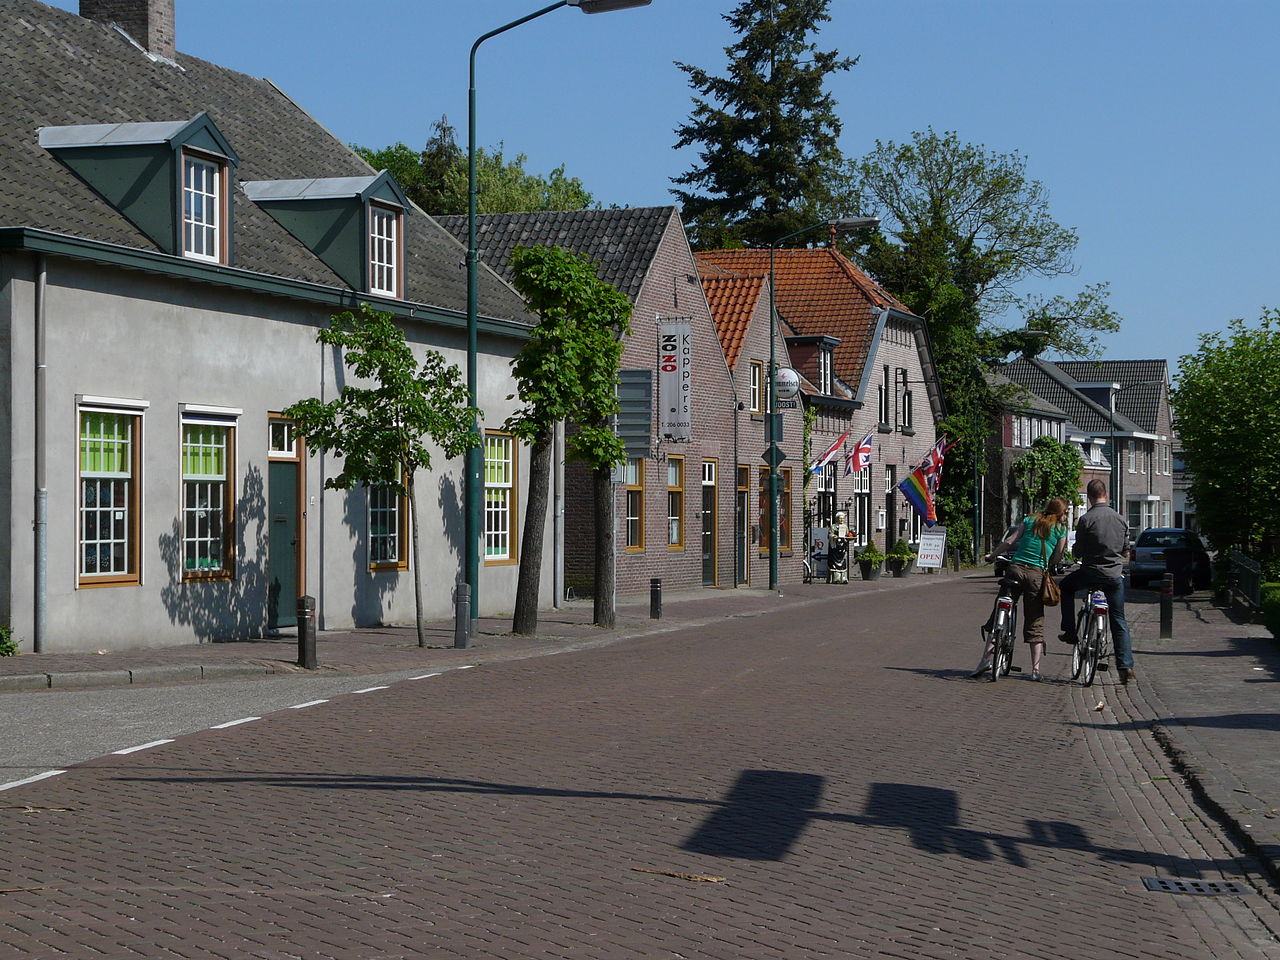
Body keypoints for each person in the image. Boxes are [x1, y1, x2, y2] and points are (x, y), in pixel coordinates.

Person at [976, 497, 1070, 681]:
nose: (1066, 515)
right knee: (1035, 620)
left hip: (1015, 569)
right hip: (1036, 575)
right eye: (1065, 512)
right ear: (1060, 513)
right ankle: (1035, 671)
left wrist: (993, 555)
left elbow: (1011, 541)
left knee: (998, 613)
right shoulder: (1060, 530)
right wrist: (1050, 565)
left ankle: (985, 660)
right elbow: (1058, 554)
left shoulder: (1029, 520)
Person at [1058, 479, 1135, 684]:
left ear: (1090, 497)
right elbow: (1126, 550)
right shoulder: (1120, 519)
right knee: (1119, 620)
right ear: (1106, 495)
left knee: (1065, 587)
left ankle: (1070, 631)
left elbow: (1079, 550)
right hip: (1114, 577)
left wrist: (1076, 553)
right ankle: (1125, 665)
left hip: (1091, 572)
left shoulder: (1086, 519)